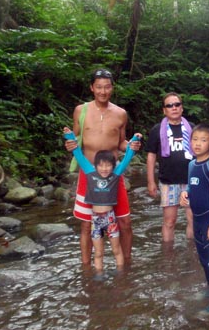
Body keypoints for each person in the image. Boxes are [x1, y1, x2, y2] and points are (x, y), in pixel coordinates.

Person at [64, 68, 142, 266]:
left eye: (107, 87)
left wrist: (131, 147)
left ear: (112, 88)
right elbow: (76, 139)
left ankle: (126, 265)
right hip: (88, 172)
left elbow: (121, 142)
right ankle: (86, 269)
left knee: (125, 222)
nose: (103, 91)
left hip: (113, 174)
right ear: (92, 88)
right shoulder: (81, 110)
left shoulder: (120, 114)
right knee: (86, 224)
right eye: (99, 87)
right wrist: (70, 144)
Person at [64, 128, 141, 273]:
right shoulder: (90, 173)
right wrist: (69, 136)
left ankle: (121, 275)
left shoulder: (115, 175)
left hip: (110, 219)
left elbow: (127, 159)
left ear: (113, 166)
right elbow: (79, 155)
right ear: (95, 165)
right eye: (101, 165)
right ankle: (98, 276)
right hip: (95, 220)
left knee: (116, 250)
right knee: (98, 252)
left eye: (108, 165)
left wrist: (135, 140)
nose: (104, 169)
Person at [179, 123, 209, 313]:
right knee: (203, 260)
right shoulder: (192, 164)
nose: (197, 144)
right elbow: (192, 187)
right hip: (197, 220)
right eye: (195, 139)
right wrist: (185, 194)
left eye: (203, 140)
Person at [145, 92, 194, 242]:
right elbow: (151, 156)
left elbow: (201, 153)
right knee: (169, 221)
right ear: (164, 110)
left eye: (177, 104)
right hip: (168, 181)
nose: (174, 108)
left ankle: (192, 251)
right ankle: (167, 253)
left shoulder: (192, 128)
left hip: (191, 180)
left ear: (182, 108)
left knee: (193, 219)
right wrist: (151, 182)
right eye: (169, 105)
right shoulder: (157, 130)